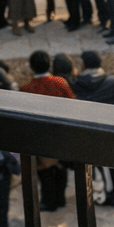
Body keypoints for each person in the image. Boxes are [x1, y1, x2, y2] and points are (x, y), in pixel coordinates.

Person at [22, 50, 77, 211]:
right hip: (61, 134)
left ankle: (48, 201)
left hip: (41, 137)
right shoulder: (61, 83)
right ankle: (60, 198)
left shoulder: (27, 88)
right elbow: (72, 103)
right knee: (61, 169)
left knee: (45, 173)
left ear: (32, 67)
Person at [72, 50, 114, 206]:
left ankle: (94, 195)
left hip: (87, 131)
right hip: (108, 130)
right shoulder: (112, 81)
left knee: (93, 166)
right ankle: (113, 195)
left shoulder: (76, 84)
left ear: (85, 65)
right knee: (111, 165)